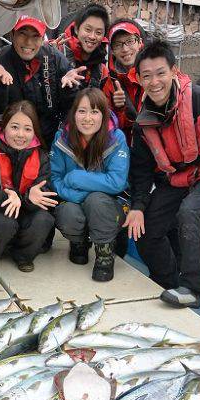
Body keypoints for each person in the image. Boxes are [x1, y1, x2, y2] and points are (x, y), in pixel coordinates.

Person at [124, 40, 200, 308]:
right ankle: (167, 281)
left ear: (173, 71)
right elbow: (142, 171)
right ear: (139, 79)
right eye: (146, 76)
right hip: (179, 178)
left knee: (191, 212)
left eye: (160, 73)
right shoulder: (143, 123)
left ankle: (193, 290)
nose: (154, 81)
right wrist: (137, 206)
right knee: (147, 228)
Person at [51, 87, 129, 282]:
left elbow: (117, 182)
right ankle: (79, 243)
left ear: (103, 115)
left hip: (110, 206)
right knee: (67, 211)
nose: (87, 118)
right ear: (74, 113)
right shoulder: (61, 139)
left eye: (94, 111)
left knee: (96, 200)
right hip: (75, 200)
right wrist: (79, 197)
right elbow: (55, 179)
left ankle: (104, 254)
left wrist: (76, 178)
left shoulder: (116, 138)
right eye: (82, 111)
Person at [0, 100, 57, 274]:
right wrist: (9, 197)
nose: (20, 134)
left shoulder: (42, 156)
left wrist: (27, 198)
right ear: (4, 126)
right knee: (3, 222)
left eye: (28, 129)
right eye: (14, 127)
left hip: (27, 214)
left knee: (44, 219)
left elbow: (44, 189)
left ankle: (24, 255)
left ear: (34, 131)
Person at [0, 16, 83, 149]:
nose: (28, 42)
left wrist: (69, 88)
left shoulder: (54, 58)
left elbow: (72, 107)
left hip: (50, 142)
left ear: (42, 39)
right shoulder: (0, 61)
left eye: (35, 36)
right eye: (22, 34)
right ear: (12, 34)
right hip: (12, 142)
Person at [102, 18, 145, 143]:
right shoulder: (109, 81)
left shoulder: (154, 72)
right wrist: (118, 108)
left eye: (130, 41)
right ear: (112, 51)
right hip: (125, 147)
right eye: (118, 44)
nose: (125, 49)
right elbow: (111, 129)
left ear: (140, 43)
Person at [52, 3, 109, 89]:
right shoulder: (55, 50)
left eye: (98, 32)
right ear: (76, 29)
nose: (92, 36)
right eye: (88, 29)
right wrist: (48, 56)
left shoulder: (103, 72)